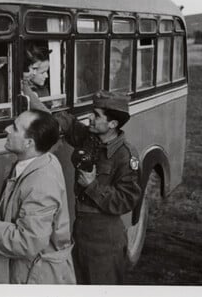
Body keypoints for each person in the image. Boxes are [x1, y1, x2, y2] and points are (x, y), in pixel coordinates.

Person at [54, 91, 142, 284]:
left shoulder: (125, 155)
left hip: (105, 242)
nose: (90, 118)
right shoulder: (90, 137)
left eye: (96, 115)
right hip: (81, 233)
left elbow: (126, 200)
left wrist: (92, 186)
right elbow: (68, 123)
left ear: (112, 124)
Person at [0, 109, 75, 284]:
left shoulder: (41, 183)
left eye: (15, 128)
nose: (7, 129)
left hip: (35, 278)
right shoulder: (42, 161)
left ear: (28, 143)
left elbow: (29, 241)